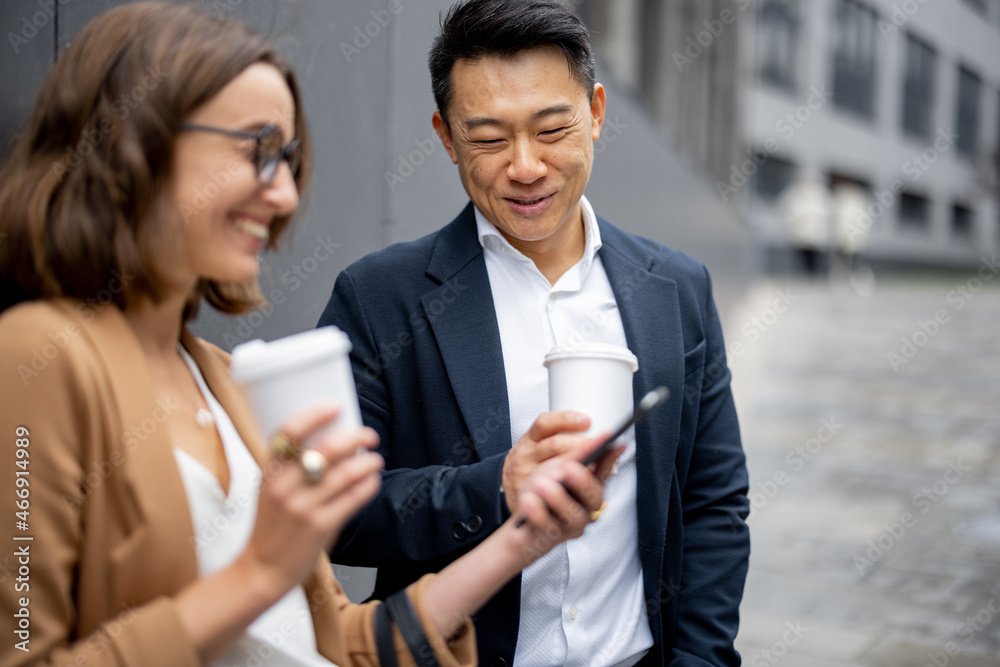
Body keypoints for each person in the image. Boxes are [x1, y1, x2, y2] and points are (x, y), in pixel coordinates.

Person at [0, 4, 616, 667]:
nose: (286, 194)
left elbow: (340, 640)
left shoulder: (223, 378)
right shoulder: (38, 356)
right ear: (136, 143)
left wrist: (523, 537)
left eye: (288, 157)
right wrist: (262, 569)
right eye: (255, 150)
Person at [317, 1, 751, 665]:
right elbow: (337, 517)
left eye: (552, 128)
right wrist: (495, 486)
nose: (525, 165)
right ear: (446, 137)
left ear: (597, 113)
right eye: (489, 138)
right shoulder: (379, 297)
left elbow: (713, 501)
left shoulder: (678, 289)